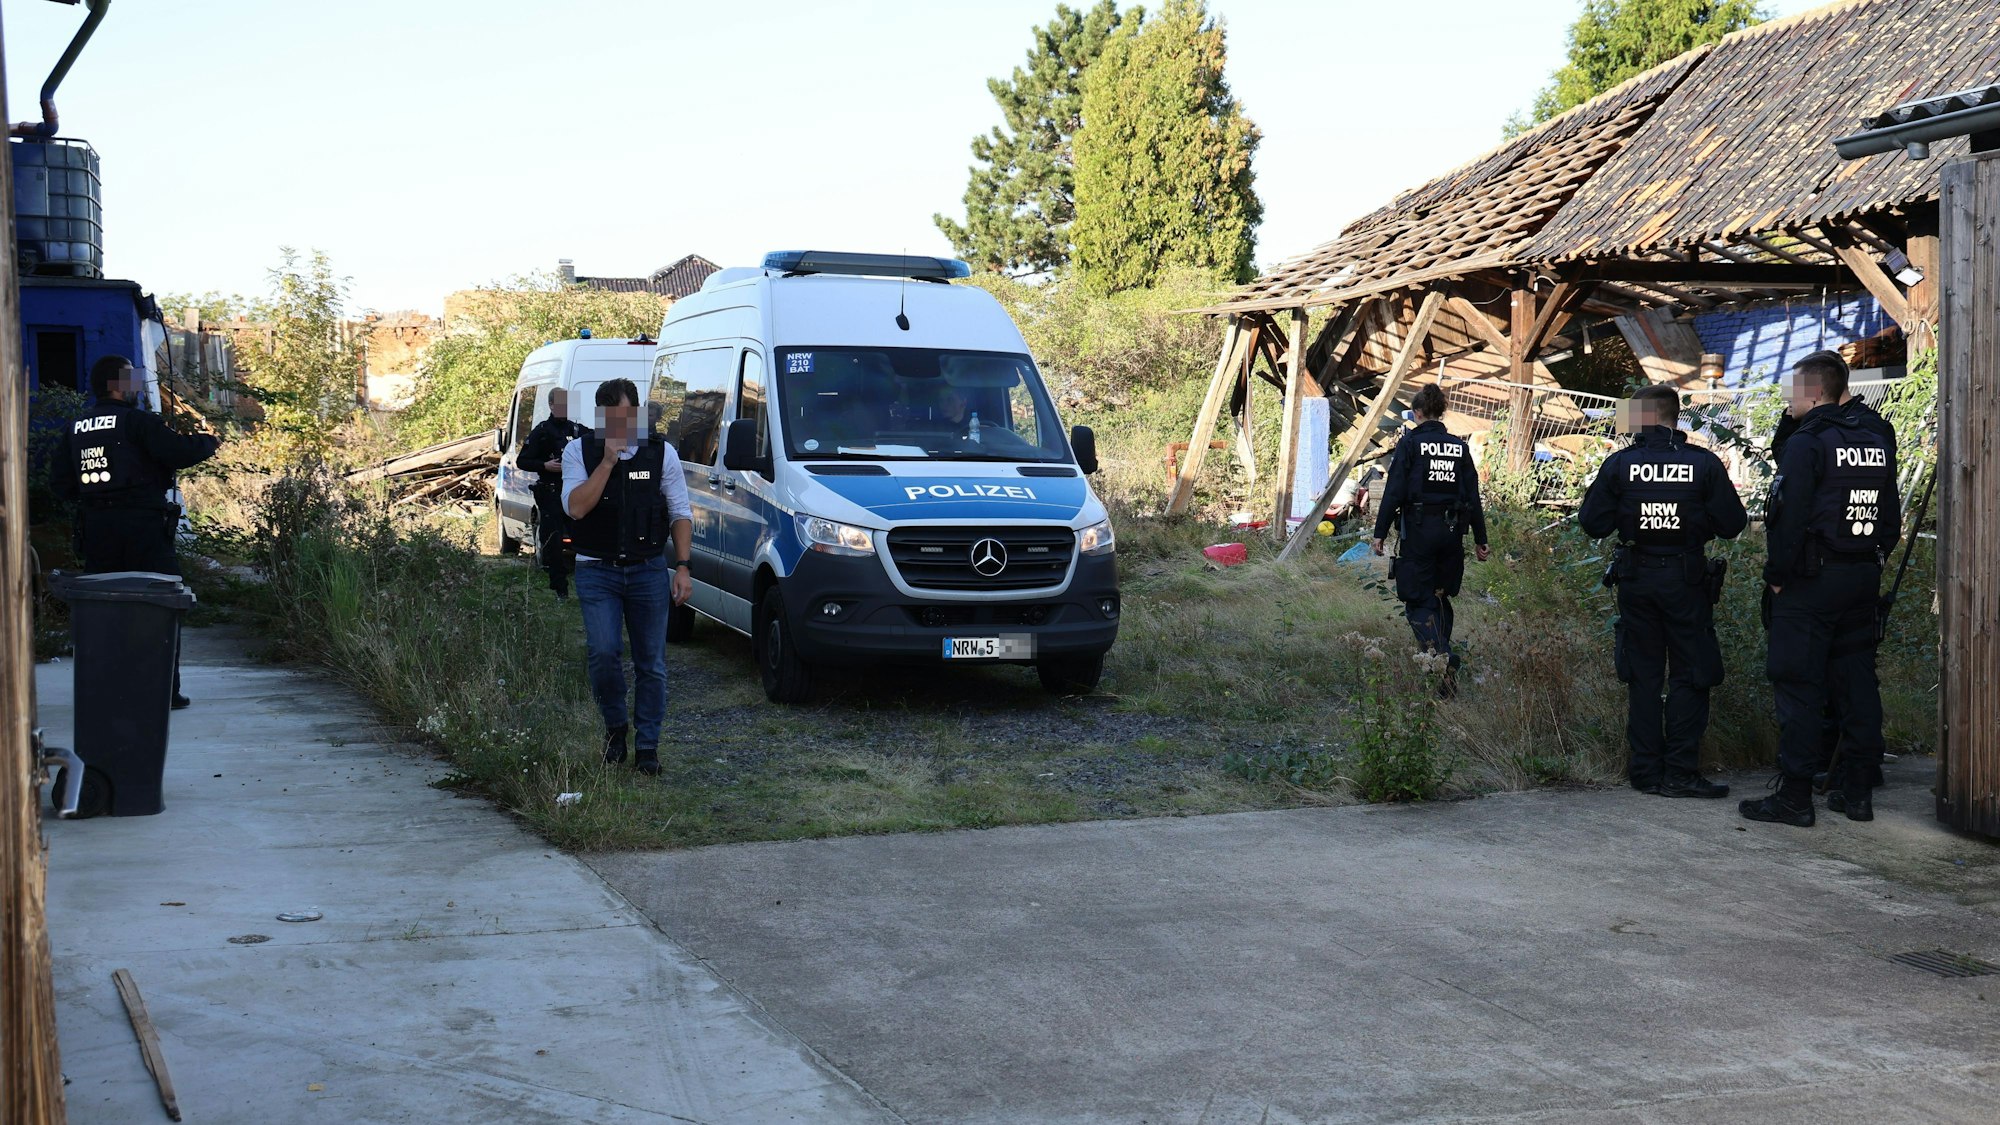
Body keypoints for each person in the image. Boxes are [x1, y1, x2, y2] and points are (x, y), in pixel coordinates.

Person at [1742, 350, 1899, 827]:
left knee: (1799, 685)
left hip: (1811, 581)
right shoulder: (1875, 434)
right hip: (1861, 575)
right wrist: (1870, 558)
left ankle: (1794, 797)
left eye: (1793, 390)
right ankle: (1857, 793)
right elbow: (1888, 515)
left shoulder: (1808, 442)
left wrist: (1777, 575)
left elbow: (1787, 517)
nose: (1788, 399)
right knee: (1855, 683)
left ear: (1812, 391)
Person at [1577, 383, 1748, 797]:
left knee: (1644, 676)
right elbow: (1732, 523)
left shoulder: (1620, 465)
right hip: (1686, 581)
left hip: (1638, 580)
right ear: (1674, 416)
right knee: (1691, 675)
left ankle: (1646, 772)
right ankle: (1681, 774)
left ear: (1643, 417)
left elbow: (1592, 523)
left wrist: (1627, 511)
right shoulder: (1703, 464)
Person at [51, 355, 221, 709]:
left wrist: (96, 499)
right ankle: (163, 692)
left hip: (97, 530)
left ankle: (109, 691)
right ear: (117, 384)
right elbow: (176, 452)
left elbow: (62, 485)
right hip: (143, 528)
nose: (137, 387)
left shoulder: (75, 428)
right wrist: (208, 441)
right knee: (160, 604)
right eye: (132, 380)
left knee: (104, 609)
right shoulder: (136, 422)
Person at [562, 378, 693, 775]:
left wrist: (683, 566)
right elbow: (576, 509)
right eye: (609, 416)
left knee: (651, 663)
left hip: (647, 569)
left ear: (636, 413)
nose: (618, 422)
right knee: (603, 654)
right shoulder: (578, 451)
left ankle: (648, 746)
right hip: (596, 569)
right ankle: (615, 729)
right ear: (600, 417)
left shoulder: (661, 453)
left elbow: (680, 512)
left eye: (624, 414)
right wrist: (606, 462)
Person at [1370, 384, 1488, 682]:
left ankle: (1440, 659)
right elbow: (1473, 496)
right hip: (1451, 533)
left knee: (1417, 598)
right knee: (1440, 596)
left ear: (1418, 413)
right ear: (1442, 412)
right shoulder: (1459, 447)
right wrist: (1481, 539)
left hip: (1420, 533)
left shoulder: (1410, 445)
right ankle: (1442, 658)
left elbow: (1394, 492)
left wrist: (1379, 532)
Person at [515, 387, 587, 598]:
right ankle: (560, 590)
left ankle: (587, 585)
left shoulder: (576, 430)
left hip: (574, 492)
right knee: (554, 544)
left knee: (583, 540)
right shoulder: (543, 431)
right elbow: (522, 461)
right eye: (561, 403)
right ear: (552, 405)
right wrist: (544, 465)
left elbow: (597, 441)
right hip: (551, 493)